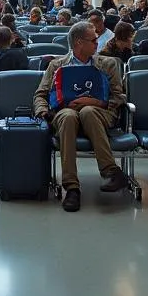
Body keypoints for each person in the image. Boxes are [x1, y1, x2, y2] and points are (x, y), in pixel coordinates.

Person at [33, 20, 128, 212]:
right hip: (65, 113)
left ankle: (110, 171)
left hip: (99, 112)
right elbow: (40, 95)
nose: (97, 43)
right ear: (78, 43)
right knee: (68, 116)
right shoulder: (56, 65)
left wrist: (96, 102)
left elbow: (118, 96)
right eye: (93, 40)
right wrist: (43, 112)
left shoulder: (107, 64)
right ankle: (72, 187)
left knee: (88, 111)